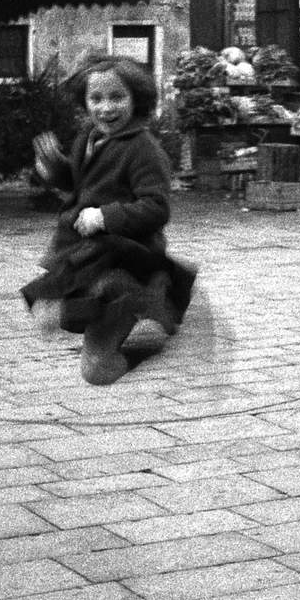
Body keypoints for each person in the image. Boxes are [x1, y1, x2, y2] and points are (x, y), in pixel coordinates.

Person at [22, 56, 195, 386]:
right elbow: (81, 183)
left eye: (117, 98)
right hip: (86, 242)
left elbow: (157, 208)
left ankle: (152, 304)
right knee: (95, 365)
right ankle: (137, 323)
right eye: (96, 99)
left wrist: (105, 216)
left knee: (74, 284)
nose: (106, 108)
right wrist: (53, 168)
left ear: (136, 99)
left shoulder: (143, 149)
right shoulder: (89, 136)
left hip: (125, 249)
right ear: (84, 102)